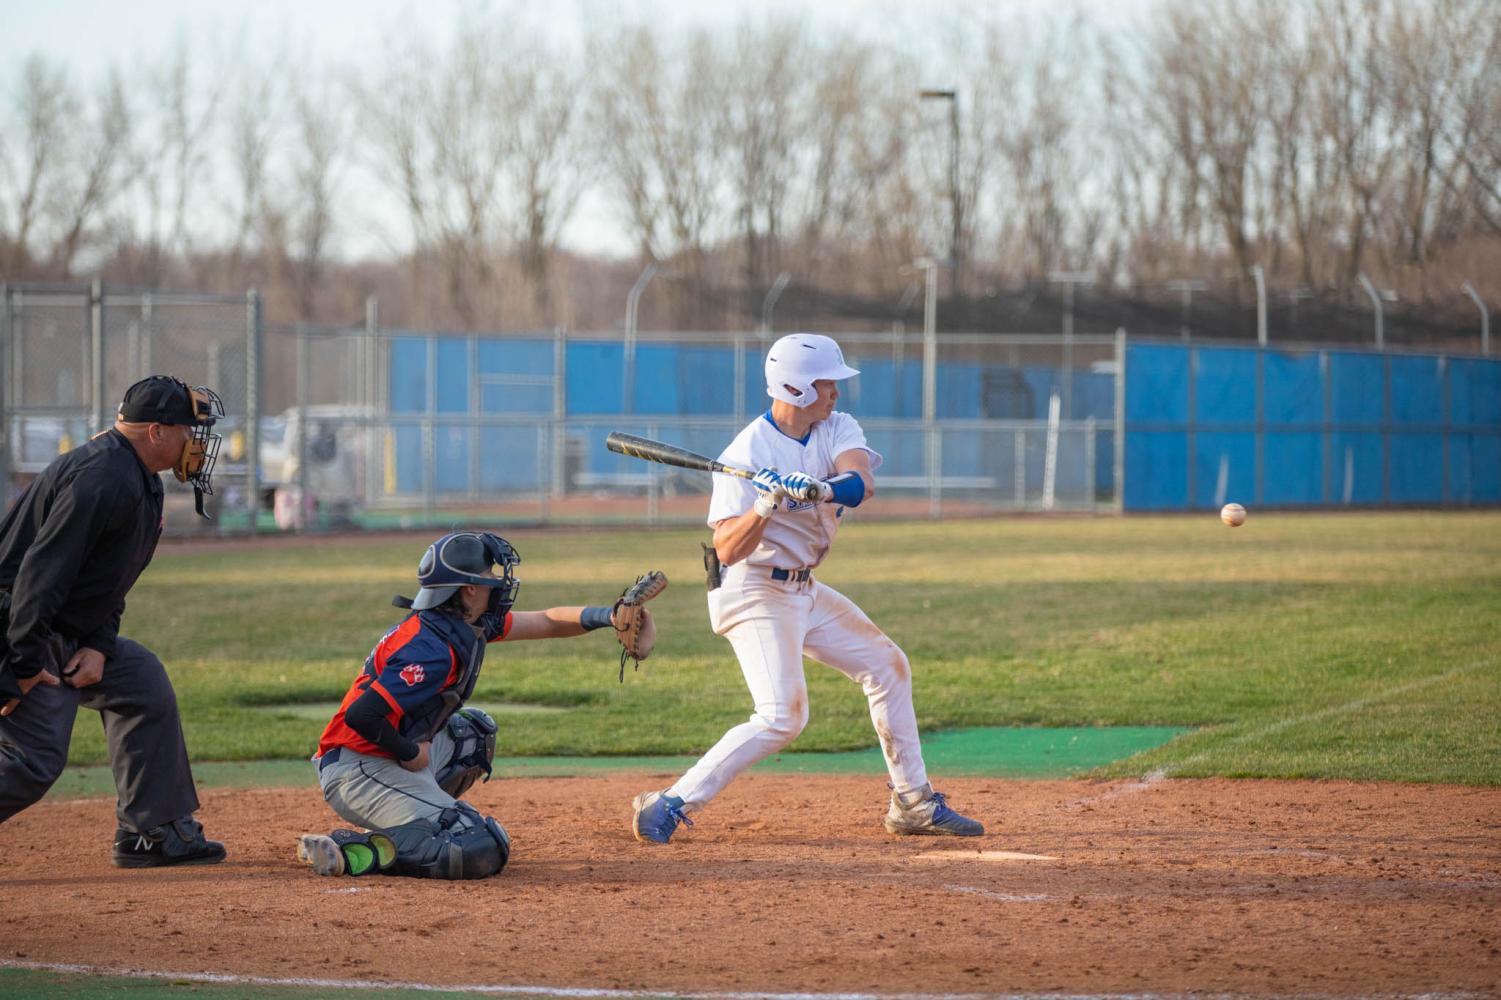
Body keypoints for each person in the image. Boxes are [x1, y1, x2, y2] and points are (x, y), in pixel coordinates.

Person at [631, 333, 983, 844]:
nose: (836, 393)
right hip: (753, 591)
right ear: (795, 389)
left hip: (803, 588)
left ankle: (913, 802)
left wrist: (820, 488)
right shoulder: (747, 452)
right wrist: (764, 504)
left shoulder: (836, 426)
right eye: (826, 384)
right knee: (782, 717)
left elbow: (860, 483)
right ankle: (669, 803)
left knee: (887, 666)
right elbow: (727, 549)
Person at [300, 531, 659, 880]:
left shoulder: (458, 623)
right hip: (357, 770)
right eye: (488, 576)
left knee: (472, 736)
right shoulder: (431, 651)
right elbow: (361, 715)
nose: (497, 583)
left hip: (380, 756)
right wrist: (409, 752)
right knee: (476, 845)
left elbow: (547, 621)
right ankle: (357, 850)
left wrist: (609, 616)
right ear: (468, 589)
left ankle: (424, 817)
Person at [0, 374, 228, 867]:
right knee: (33, 761)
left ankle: (151, 832)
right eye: (188, 430)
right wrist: (21, 662)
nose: (195, 442)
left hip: (62, 628)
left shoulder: (138, 476)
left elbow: (111, 579)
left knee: (141, 683)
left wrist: (101, 644)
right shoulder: (101, 478)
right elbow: (39, 576)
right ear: (155, 432)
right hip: (22, 628)